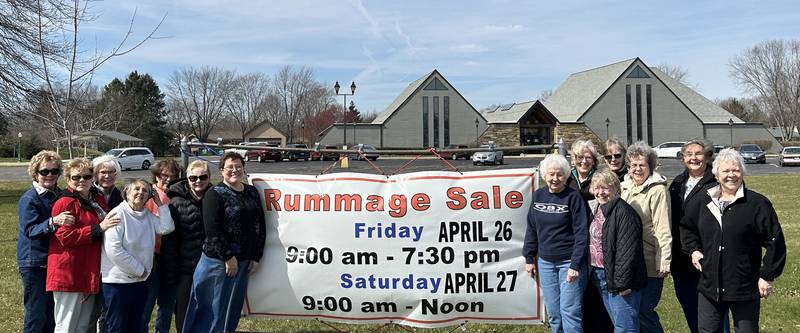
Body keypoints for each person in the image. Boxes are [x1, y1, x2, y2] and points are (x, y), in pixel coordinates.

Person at [680, 148, 786, 333]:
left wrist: (767, 276)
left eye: (736, 170)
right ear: (716, 174)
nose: (731, 175)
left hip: (744, 286)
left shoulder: (757, 204)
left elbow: (775, 240)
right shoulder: (704, 201)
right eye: (726, 171)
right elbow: (687, 227)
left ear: (742, 172)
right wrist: (693, 250)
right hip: (709, 286)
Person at [183, 152, 267, 333]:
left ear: (244, 169)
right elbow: (212, 230)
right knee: (211, 309)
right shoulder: (214, 194)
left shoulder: (251, 192)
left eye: (238, 166)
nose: (234, 170)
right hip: (219, 263)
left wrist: (256, 255)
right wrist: (228, 257)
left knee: (231, 308)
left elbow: (260, 224)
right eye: (230, 167)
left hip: (243, 262)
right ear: (221, 171)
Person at [47, 158, 119, 332]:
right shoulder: (65, 202)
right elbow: (65, 237)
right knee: (66, 325)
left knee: (84, 325)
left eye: (86, 176)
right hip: (69, 272)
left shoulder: (96, 198)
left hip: (89, 271)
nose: (81, 180)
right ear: (68, 179)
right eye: (76, 177)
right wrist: (97, 229)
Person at [523, 154, 589, 333]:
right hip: (545, 264)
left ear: (566, 175)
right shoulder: (538, 196)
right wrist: (529, 257)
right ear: (545, 175)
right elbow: (532, 228)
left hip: (569, 263)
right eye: (551, 174)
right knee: (553, 313)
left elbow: (582, 234)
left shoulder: (573, 197)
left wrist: (575, 264)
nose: (555, 179)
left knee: (570, 312)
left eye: (560, 174)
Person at [101, 179, 174, 332]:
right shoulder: (117, 213)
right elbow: (114, 250)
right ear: (127, 193)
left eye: (145, 191)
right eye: (137, 189)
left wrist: (160, 205)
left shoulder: (146, 214)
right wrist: (140, 270)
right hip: (118, 283)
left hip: (140, 281)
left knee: (135, 325)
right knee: (117, 326)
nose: (140, 193)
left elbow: (166, 227)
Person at [668, 139, 723, 333]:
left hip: (707, 256)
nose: (693, 158)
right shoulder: (677, 183)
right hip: (682, 259)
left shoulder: (717, 182)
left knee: (715, 313)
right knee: (691, 309)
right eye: (689, 154)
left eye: (698, 153)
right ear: (683, 158)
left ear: (707, 157)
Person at [18, 150, 74, 333]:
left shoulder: (59, 194)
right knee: (37, 313)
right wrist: (53, 222)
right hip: (34, 263)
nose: (49, 175)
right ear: (35, 173)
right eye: (44, 171)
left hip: (54, 262)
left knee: (52, 313)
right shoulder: (30, 198)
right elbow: (30, 230)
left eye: (54, 171)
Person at [620, 141, 672, 333]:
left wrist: (664, 260)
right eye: (633, 165)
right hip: (629, 261)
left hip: (650, 260)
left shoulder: (657, 190)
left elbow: (663, 227)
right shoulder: (623, 187)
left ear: (650, 166)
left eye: (642, 164)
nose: (638, 168)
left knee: (645, 311)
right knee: (632, 312)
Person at [587, 168, 647, 332]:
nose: (600, 192)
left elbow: (627, 253)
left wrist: (622, 285)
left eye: (606, 187)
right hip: (601, 276)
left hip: (620, 281)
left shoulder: (624, 213)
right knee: (617, 323)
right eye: (597, 187)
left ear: (615, 188)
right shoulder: (598, 209)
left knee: (625, 327)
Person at [164, 161, 212, 333]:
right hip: (184, 269)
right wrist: (171, 272)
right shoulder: (175, 202)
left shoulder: (215, 198)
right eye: (193, 178)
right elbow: (170, 241)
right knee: (183, 313)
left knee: (207, 311)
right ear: (187, 179)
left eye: (202, 177)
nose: (198, 181)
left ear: (209, 178)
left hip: (209, 268)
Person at [142, 159, 181, 333]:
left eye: (172, 176)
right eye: (164, 175)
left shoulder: (176, 195)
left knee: (167, 303)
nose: (167, 179)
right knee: (147, 303)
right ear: (157, 175)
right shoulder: (147, 194)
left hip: (171, 256)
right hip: (152, 256)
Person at [91, 154, 124, 333]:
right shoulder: (89, 195)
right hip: (92, 250)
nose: (107, 176)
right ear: (95, 174)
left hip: (113, 255)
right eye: (103, 172)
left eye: (112, 172)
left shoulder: (121, 195)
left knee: (108, 305)